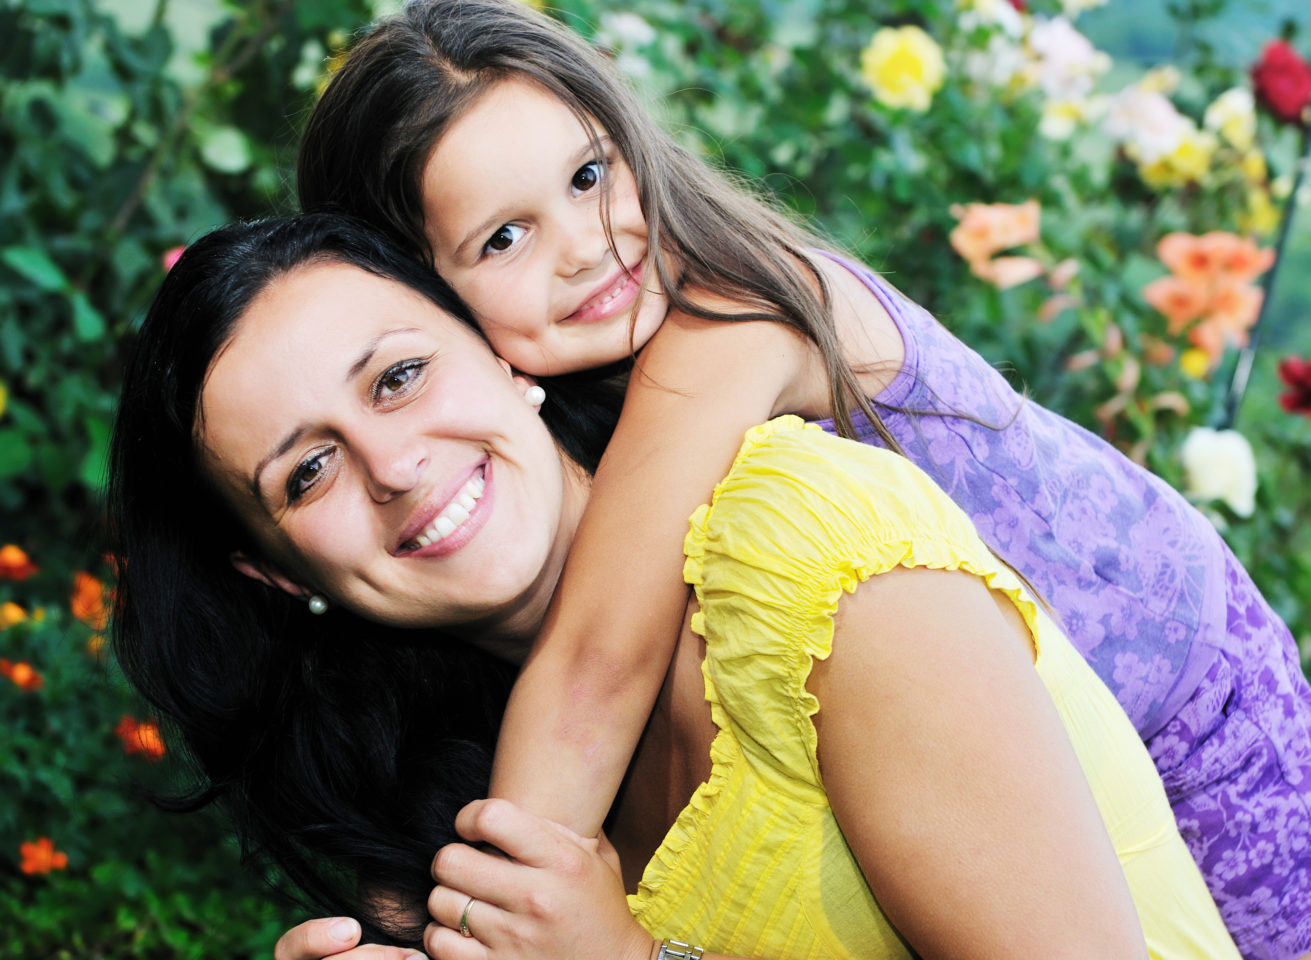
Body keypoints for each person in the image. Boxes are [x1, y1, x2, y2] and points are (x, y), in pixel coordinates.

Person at [293, 3, 1311, 957]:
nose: (585, 246)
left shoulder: (724, 318)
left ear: (632, 140)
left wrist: (493, 924)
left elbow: (594, 665)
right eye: (503, 240)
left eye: (588, 176)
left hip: (1187, 690)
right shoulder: (604, 388)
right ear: (421, 292)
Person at [110, 211, 1241, 959]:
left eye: (401, 376)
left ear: (504, 356)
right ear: (273, 572)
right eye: (307, 471)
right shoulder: (449, 806)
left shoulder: (800, 550)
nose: (393, 466)